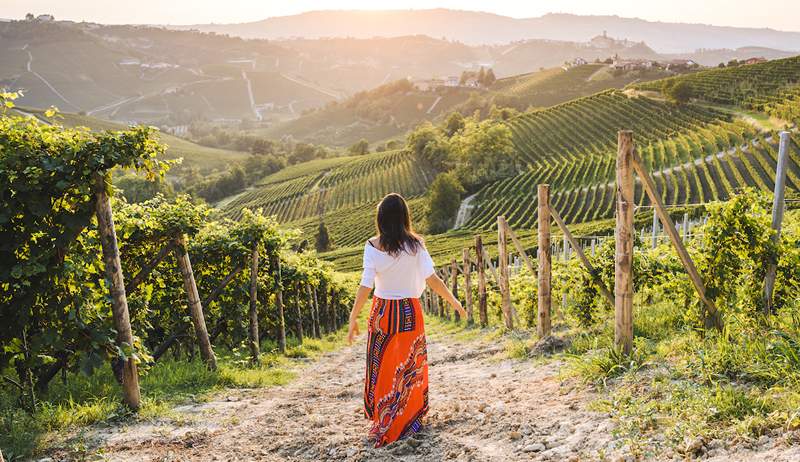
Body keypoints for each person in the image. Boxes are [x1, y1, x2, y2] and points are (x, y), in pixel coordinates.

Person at [347, 193, 465, 448]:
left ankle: (385, 420)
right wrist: (454, 302)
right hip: (410, 312)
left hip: (382, 313)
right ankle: (409, 419)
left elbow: (366, 283)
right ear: (404, 218)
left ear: (380, 219)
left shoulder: (372, 246)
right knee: (411, 366)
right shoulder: (417, 246)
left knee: (383, 367)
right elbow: (432, 279)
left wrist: (353, 316)